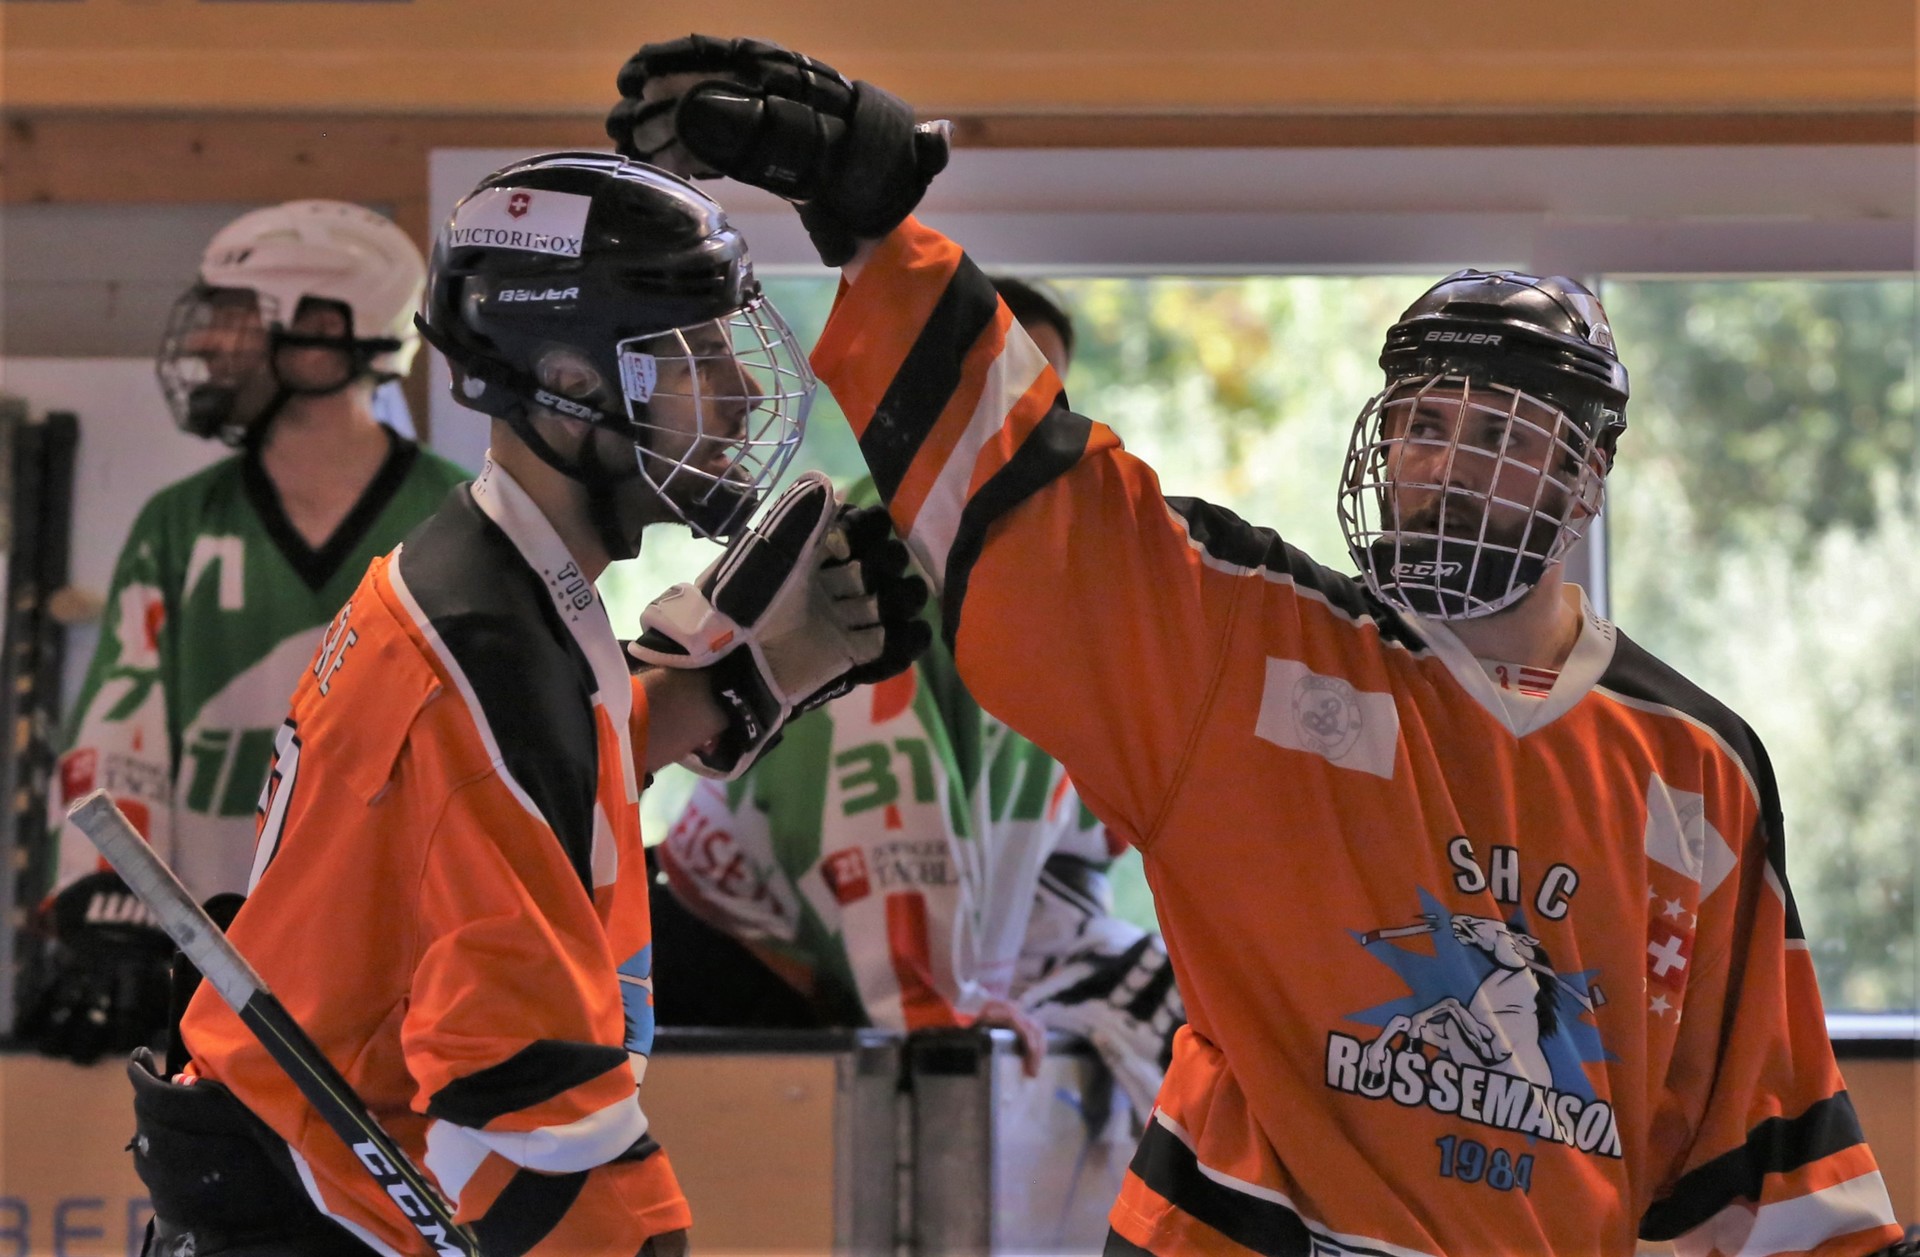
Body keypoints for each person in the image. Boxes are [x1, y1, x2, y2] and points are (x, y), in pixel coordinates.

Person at [607, 38, 1905, 1256]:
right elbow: (1052, 507)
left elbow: (1759, 1138)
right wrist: (875, 232)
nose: (1447, 467)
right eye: (1425, 424)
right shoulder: (1249, 642)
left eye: (1503, 439)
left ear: (1587, 479)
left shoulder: (1695, 766)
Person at [136, 153, 926, 1257]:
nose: (744, 395)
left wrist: (721, 688)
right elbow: (513, 1077)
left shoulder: (492, 585)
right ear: (572, 384)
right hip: (318, 1209)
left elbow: (524, 790)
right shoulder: (486, 651)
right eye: (694, 361)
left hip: (285, 1171)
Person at [655, 277, 1185, 1119]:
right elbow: (870, 793)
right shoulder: (867, 546)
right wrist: (936, 1009)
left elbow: (1066, 829)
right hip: (734, 968)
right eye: (1001, 391)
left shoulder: (1041, 573)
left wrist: (1087, 966)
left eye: (1050, 398)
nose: (1033, 425)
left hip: (821, 977)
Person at [21, 200, 471, 1063]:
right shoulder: (179, 523)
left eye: (234, 316)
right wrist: (105, 900)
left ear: (325, 332)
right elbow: (121, 726)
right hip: (214, 964)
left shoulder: (457, 525)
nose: (205, 342)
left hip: (408, 970)